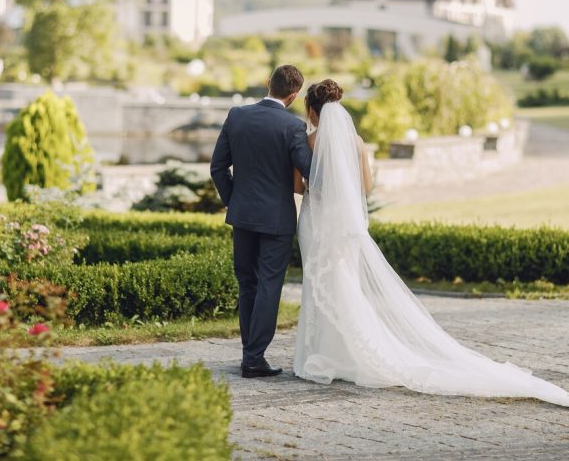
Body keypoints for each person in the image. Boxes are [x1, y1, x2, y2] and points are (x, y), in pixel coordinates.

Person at [293, 78, 569, 407]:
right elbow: (365, 186)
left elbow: (300, 187)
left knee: (320, 282)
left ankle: (326, 354)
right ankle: (348, 353)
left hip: (317, 221)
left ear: (312, 110)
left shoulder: (307, 142)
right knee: (345, 282)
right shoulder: (355, 142)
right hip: (345, 224)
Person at [211, 65, 313, 378]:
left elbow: (218, 168)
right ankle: (253, 358)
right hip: (276, 221)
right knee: (269, 285)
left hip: (242, 217)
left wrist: (234, 200)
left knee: (247, 285)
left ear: (268, 83)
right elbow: (310, 170)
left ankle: (250, 355)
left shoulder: (236, 115)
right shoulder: (293, 127)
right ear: (293, 96)